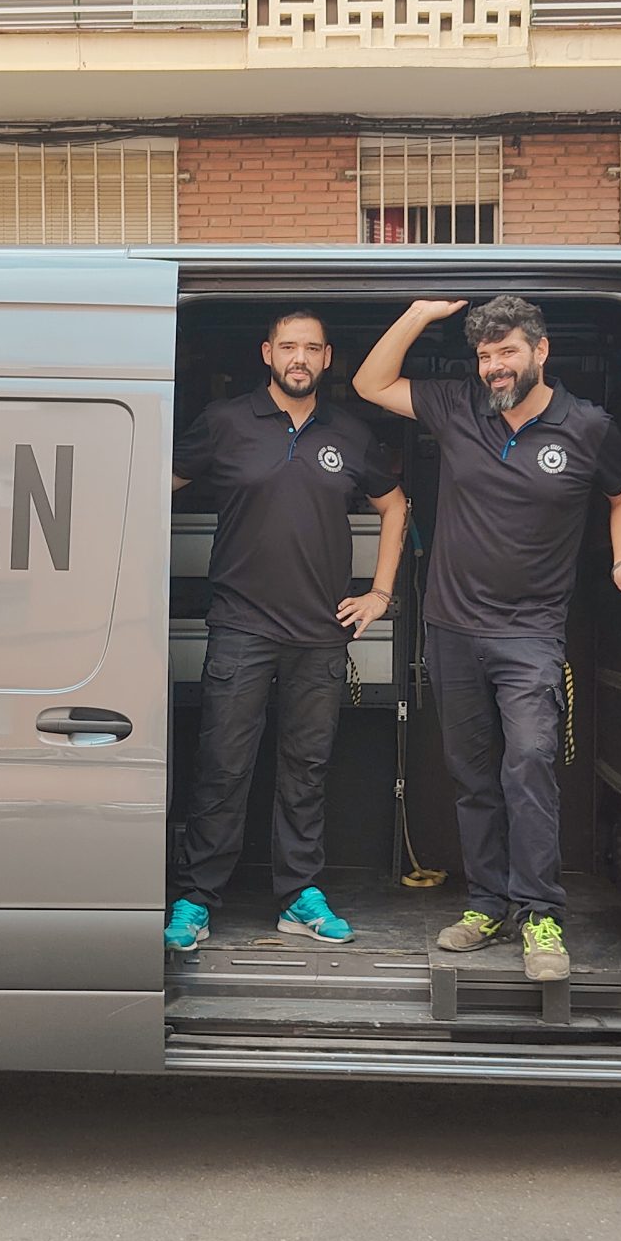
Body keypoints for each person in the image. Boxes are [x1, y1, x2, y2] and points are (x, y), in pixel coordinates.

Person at [354, 295, 621, 983]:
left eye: (507, 351)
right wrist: (418, 314)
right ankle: (487, 905)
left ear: (541, 352)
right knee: (472, 776)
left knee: (531, 764)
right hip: (452, 629)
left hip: (531, 635)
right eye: (485, 355)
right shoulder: (457, 405)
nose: (494, 367)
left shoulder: (588, 426)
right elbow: (370, 383)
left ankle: (540, 914)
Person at [167, 310, 410, 954]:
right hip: (240, 626)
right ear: (266, 352)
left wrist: (379, 594)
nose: (298, 358)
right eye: (287, 347)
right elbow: (154, 484)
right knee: (223, 766)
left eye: (311, 348)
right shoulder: (225, 422)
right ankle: (197, 897)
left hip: (320, 632)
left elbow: (394, 505)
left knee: (307, 769)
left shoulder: (349, 433)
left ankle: (299, 895)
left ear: (327, 358)